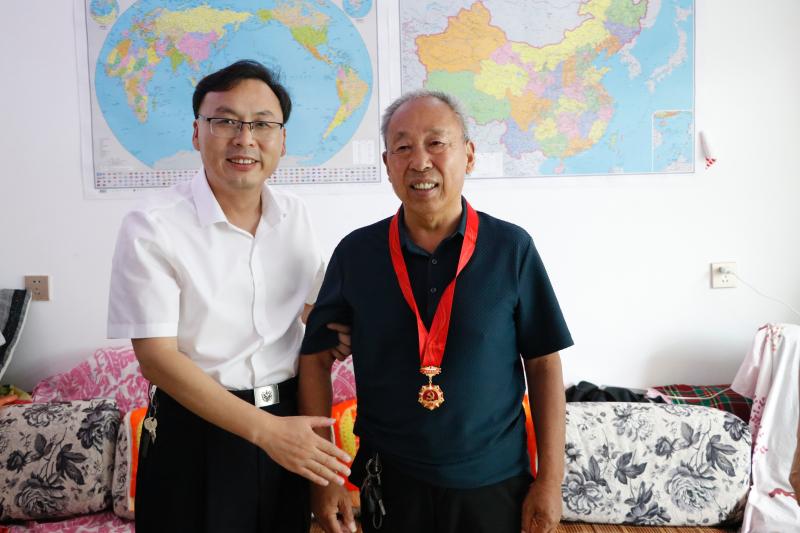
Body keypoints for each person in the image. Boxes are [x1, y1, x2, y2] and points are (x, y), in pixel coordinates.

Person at [299, 90, 573, 533]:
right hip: (390, 484)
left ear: (469, 155)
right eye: (403, 147)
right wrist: (324, 478)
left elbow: (543, 363)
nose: (420, 161)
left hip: (494, 484)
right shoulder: (356, 254)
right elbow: (313, 359)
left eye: (436, 143)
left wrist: (551, 480)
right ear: (387, 164)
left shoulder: (511, 248)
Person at [107, 60, 352, 532]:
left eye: (262, 124)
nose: (245, 139)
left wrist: (351, 331)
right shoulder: (153, 224)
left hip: (286, 420)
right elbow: (156, 359)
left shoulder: (294, 215)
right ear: (197, 132)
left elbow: (314, 314)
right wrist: (268, 433)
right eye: (225, 121)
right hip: (195, 432)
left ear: (282, 139)